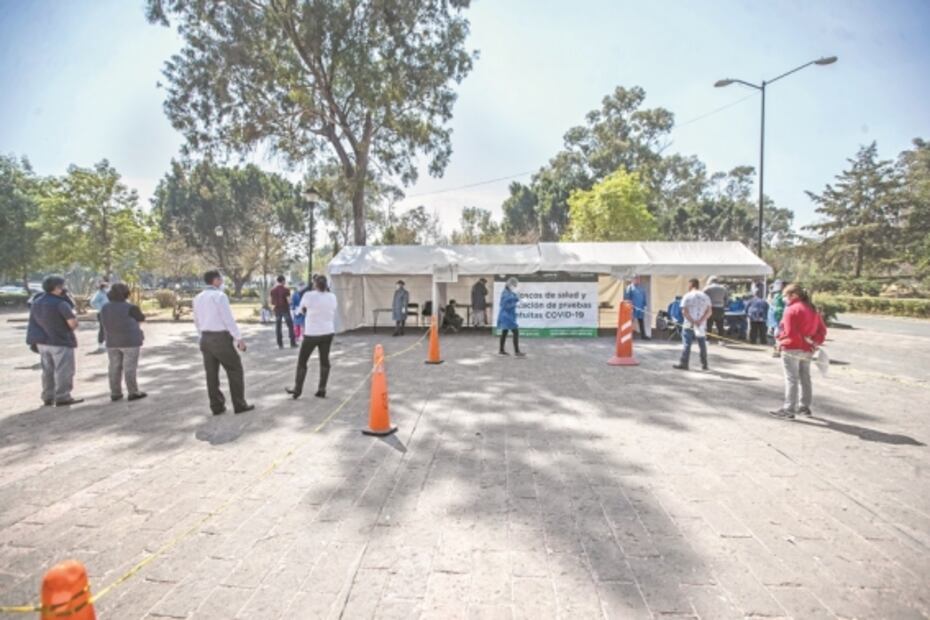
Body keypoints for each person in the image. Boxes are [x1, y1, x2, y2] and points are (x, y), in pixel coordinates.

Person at [193, 270, 254, 415]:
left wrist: (201, 336)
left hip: (205, 337)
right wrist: (239, 338)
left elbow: (196, 320)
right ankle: (239, 404)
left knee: (211, 374)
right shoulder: (220, 296)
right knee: (235, 369)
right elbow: (228, 319)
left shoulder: (198, 297)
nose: (222, 282)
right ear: (215, 281)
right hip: (220, 338)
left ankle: (216, 406)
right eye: (220, 279)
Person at [770, 284, 827, 419]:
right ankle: (804, 406)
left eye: (785, 295)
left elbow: (789, 332)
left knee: (792, 379)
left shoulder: (791, 309)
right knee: (805, 377)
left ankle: (789, 409)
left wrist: (780, 342)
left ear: (794, 295)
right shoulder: (812, 309)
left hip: (791, 348)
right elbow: (822, 331)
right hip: (808, 349)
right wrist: (814, 342)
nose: (783, 298)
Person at [27, 275, 83, 406]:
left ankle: (48, 396)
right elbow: (73, 323)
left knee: (47, 371)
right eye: (63, 286)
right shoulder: (61, 304)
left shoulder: (37, 302)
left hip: (42, 342)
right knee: (63, 370)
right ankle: (63, 396)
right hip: (60, 341)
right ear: (57, 288)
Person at [286, 275, 337, 399]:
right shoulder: (332, 296)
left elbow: (300, 310)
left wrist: (304, 310)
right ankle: (322, 388)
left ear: (315, 284)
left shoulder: (308, 295)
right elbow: (333, 309)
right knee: (324, 361)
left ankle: (297, 389)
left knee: (302, 361)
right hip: (328, 332)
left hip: (312, 333)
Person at [100, 283, 147, 402]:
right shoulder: (131, 307)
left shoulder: (104, 307)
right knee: (129, 367)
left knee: (114, 367)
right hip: (130, 341)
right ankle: (133, 391)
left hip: (112, 341)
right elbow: (141, 318)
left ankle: (115, 392)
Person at [673, 278, 712, 371]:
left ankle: (684, 363)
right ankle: (704, 364)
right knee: (702, 344)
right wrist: (700, 321)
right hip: (701, 324)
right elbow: (709, 312)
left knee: (687, 343)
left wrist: (693, 321)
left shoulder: (687, 296)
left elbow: (684, 311)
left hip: (688, 324)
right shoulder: (706, 296)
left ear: (691, 285)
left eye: (689, 285)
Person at [497, 277, 524, 356]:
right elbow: (506, 305)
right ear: (510, 284)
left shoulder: (509, 292)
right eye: (514, 285)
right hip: (506, 316)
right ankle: (517, 352)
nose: (515, 287)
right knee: (515, 331)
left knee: (504, 332)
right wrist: (516, 300)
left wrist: (518, 298)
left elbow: (514, 297)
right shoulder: (505, 293)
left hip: (507, 316)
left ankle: (501, 350)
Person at [269, 275, 296, 349]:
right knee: (290, 326)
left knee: (278, 327)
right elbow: (289, 301)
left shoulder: (273, 290)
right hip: (285, 309)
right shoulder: (286, 290)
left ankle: (280, 344)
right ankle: (292, 343)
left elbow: (271, 302)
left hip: (277, 310)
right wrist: (291, 302)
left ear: (277, 281)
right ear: (283, 281)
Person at [767, 280, 786, 357]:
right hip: (776, 317)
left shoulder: (779, 296)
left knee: (777, 333)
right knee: (777, 333)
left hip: (778, 317)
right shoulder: (777, 295)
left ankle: (778, 349)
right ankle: (778, 349)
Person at [90, 281, 109, 353]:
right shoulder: (99, 293)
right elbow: (93, 302)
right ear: (103, 287)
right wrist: (100, 308)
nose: (107, 288)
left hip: (108, 312)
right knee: (102, 328)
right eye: (106, 287)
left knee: (108, 328)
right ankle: (100, 343)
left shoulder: (106, 293)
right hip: (102, 313)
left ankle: (107, 342)